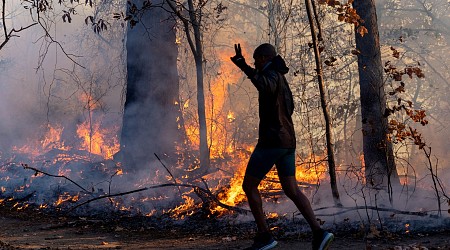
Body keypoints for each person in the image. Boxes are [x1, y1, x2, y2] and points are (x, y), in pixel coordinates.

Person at [230, 43, 334, 250]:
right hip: (287, 142)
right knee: (292, 189)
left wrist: (243, 67)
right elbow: (289, 107)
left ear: (265, 57)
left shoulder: (272, 75)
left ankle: (265, 237)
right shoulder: (280, 76)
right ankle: (319, 233)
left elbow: (264, 85)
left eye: (256, 59)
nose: (254, 62)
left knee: (249, 186)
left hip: (272, 142)